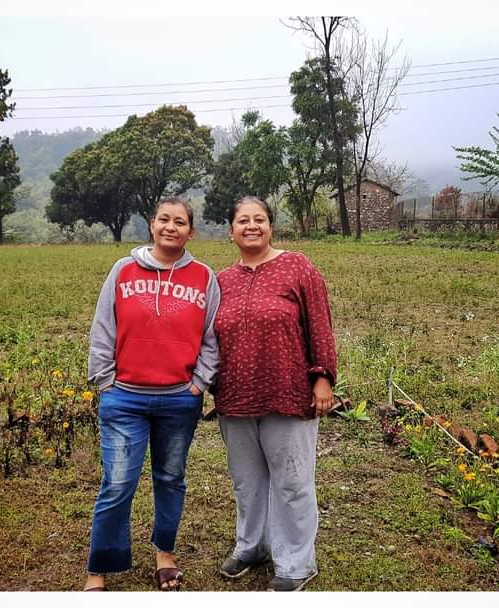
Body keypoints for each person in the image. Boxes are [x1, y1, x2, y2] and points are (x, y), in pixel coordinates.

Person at [84, 197, 220, 591]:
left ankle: (165, 553)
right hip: (124, 396)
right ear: (152, 224)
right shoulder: (123, 270)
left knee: (171, 477)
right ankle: (99, 568)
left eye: (180, 222)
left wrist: (200, 382)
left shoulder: (203, 276)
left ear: (190, 231)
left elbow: (212, 336)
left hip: (180, 397)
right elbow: (103, 326)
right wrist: (105, 381)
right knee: (118, 482)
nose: (171, 227)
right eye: (164, 220)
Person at [212, 196, 337, 592]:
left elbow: (320, 324)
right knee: (247, 481)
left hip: (288, 392)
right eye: (243, 220)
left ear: (271, 226)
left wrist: (323, 378)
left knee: (292, 480)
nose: (252, 226)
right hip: (235, 395)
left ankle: (297, 562)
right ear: (230, 230)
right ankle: (252, 546)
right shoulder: (221, 281)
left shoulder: (297, 266)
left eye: (260, 219)